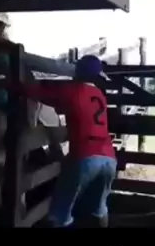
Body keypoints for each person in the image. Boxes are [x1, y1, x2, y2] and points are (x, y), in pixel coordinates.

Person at [14, 54, 117, 228]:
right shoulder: (99, 94)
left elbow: (41, 95)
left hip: (85, 156)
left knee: (60, 214)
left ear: (78, 70)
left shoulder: (73, 91)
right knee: (100, 208)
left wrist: (15, 87)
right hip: (109, 158)